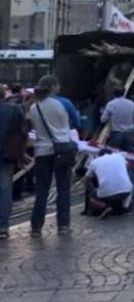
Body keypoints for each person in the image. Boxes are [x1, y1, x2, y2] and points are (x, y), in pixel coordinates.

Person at [28, 75, 75, 236]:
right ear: (53, 87)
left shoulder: (34, 107)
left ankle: (36, 227)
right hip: (62, 150)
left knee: (41, 190)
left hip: (41, 151)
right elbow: (76, 122)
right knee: (63, 188)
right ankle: (63, 225)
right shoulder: (63, 103)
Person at [0, 96, 28, 239]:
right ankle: (3, 226)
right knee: (5, 189)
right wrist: (21, 153)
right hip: (7, 153)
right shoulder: (14, 110)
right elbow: (23, 132)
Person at [84, 149, 134, 218]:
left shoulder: (94, 162)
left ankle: (105, 206)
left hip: (106, 195)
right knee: (129, 185)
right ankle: (125, 207)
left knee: (91, 195)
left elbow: (87, 178)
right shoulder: (119, 156)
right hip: (126, 192)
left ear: (99, 155)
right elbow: (128, 167)